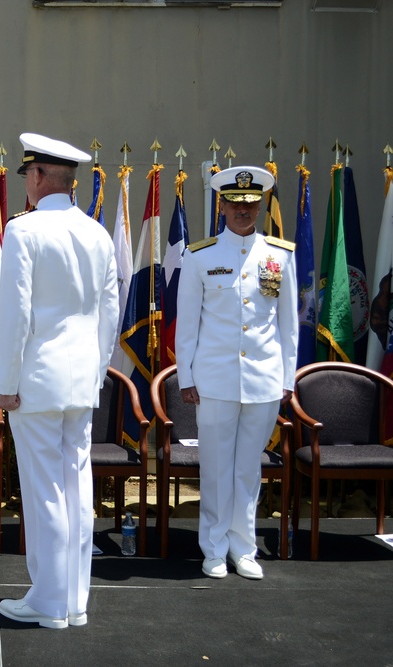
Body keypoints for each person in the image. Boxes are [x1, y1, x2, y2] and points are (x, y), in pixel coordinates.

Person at [0, 133, 119, 629]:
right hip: (81, 382)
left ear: (40, 176)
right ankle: (73, 600)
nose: (26, 180)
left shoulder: (25, 232)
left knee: (46, 490)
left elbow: (15, 316)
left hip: (37, 381)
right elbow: (110, 313)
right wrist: (95, 369)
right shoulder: (97, 233)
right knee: (77, 489)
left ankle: (48, 602)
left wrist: (6, 382)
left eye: (28, 173)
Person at [175, 165, 297, 580]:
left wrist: (287, 380)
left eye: (251, 203)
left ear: (260, 205)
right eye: (235, 203)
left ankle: (244, 548)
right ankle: (213, 547)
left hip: (263, 379)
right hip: (214, 380)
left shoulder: (280, 255)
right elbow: (187, 322)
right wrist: (186, 377)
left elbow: (288, 325)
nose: (243, 210)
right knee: (214, 466)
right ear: (221, 205)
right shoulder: (200, 255)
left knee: (248, 469)